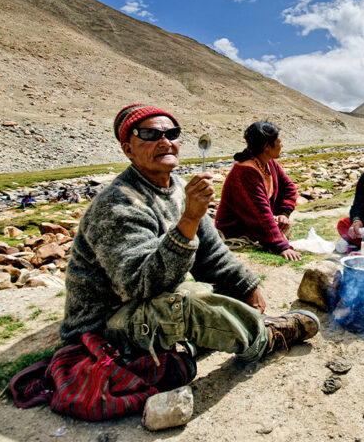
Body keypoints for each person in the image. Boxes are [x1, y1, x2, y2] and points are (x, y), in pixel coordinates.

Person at [60, 104, 319, 369]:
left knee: (210, 291)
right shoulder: (117, 205)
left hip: (151, 303)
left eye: (172, 134)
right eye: (150, 135)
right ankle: (265, 338)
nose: (164, 141)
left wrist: (245, 286)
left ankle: (184, 345)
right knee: (188, 299)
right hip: (107, 322)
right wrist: (190, 218)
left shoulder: (180, 188)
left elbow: (211, 252)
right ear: (128, 149)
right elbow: (139, 285)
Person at [215, 121, 301, 261]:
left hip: (254, 224)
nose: (282, 144)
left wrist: (283, 213)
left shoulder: (269, 162)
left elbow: (289, 187)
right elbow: (260, 213)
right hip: (236, 231)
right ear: (267, 146)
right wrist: (281, 246)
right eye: (279, 141)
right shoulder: (246, 171)